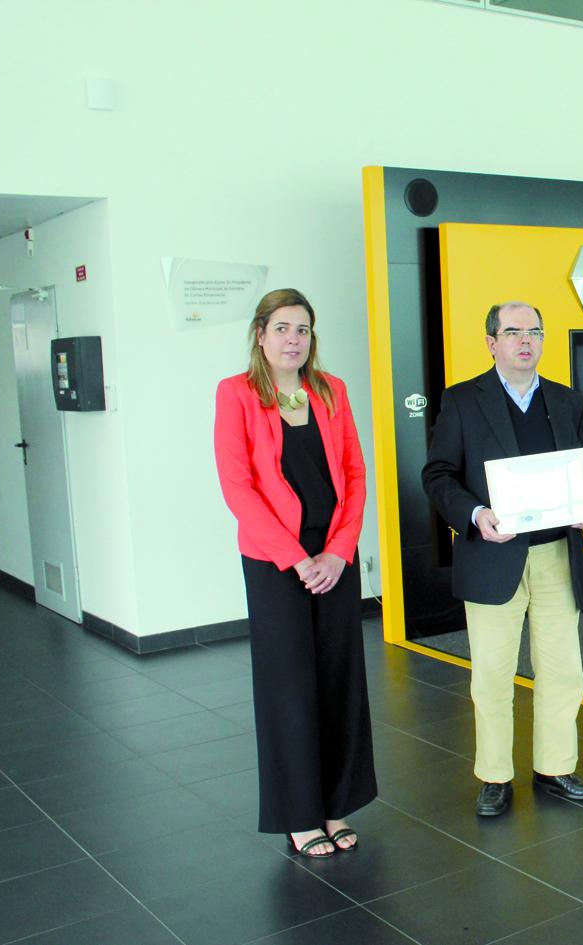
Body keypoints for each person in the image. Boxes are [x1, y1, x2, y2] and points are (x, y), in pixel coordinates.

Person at [422, 301, 583, 817]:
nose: (526, 341)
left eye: (534, 332)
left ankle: (555, 768)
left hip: (556, 555)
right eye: (513, 332)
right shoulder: (462, 400)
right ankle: (495, 777)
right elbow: (438, 474)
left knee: (563, 671)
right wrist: (475, 514)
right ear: (492, 342)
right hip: (492, 555)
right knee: (492, 675)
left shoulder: (568, 402)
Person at [214, 288, 376, 857]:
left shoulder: (332, 391)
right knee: (288, 685)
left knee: (338, 679)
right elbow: (238, 487)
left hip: (333, 556)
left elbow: (355, 475)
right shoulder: (236, 394)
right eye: (282, 328)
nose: (293, 340)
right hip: (275, 560)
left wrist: (338, 551)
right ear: (260, 335)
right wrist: (296, 558)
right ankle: (300, 816)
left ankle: (334, 806)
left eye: (302, 330)